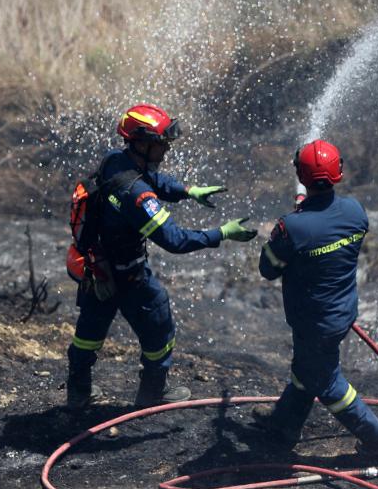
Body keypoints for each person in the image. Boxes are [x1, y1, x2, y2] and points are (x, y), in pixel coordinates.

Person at [66, 104, 257, 411]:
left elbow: (155, 179)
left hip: (97, 267)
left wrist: (188, 190)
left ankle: (78, 393)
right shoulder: (136, 195)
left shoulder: (117, 162)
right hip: (129, 275)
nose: (166, 149)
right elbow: (174, 240)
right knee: (159, 326)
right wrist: (222, 233)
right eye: (162, 144)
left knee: (89, 332)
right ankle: (153, 392)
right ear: (142, 143)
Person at [252, 139, 378, 462]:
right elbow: (327, 228)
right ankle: (283, 425)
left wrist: (292, 225)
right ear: (339, 173)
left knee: (328, 383)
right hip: (342, 313)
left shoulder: (292, 227)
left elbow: (268, 269)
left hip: (312, 321)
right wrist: (303, 218)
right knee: (305, 369)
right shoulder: (355, 212)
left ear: (302, 177)